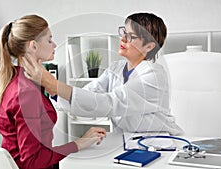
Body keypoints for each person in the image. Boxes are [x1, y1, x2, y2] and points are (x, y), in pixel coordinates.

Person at [22, 12, 182, 135]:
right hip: (127, 140)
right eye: (123, 33)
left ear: (148, 47)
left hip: (158, 141)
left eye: (131, 37)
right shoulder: (116, 69)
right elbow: (88, 95)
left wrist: (53, 84)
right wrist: (53, 90)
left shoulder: (153, 75)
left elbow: (110, 103)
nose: (123, 40)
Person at [0, 14, 106, 169]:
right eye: (49, 40)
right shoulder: (26, 93)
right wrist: (77, 144)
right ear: (33, 46)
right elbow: (32, 162)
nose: (54, 45)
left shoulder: (15, 80)